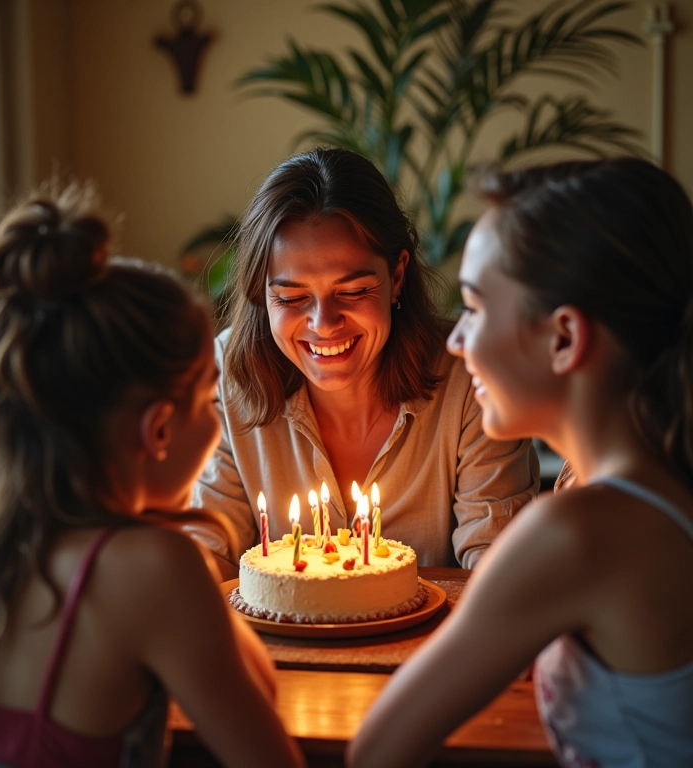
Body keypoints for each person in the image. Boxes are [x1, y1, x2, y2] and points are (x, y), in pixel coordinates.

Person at [0, 184, 304, 768]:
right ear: (158, 429)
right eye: (209, 401)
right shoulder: (154, 566)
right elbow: (263, 720)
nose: (216, 420)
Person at [347, 157, 693, 768]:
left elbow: (377, 751)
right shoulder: (652, 483)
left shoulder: (576, 532)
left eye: (476, 308)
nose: (455, 340)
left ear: (563, 338)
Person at [191, 147, 539, 579]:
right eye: (292, 298)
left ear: (396, 277)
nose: (324, 323)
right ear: (261, 295)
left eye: (353, 291)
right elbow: (208, 551)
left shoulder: (470, 376)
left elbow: (500, 569)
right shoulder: (228, 374)